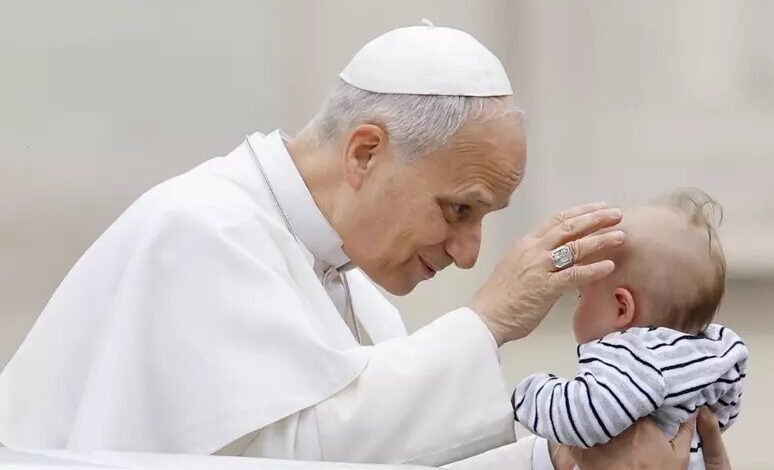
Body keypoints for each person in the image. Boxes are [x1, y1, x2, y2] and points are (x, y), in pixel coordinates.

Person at [0, 21, 729, 469]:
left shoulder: (351, 284)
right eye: (459, 209)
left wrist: (566, 458)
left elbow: (391, 462)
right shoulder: (198, 231)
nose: (469, 252)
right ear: (365, 152)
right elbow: (289, 462)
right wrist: (488, 321)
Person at [511, 190, 747, 469]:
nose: (577, 304)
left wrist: (527, 394)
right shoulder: (714, 351)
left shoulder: (636, 355)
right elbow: (725, 414)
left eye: (581, 295)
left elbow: (583, 417)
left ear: (622, 308)